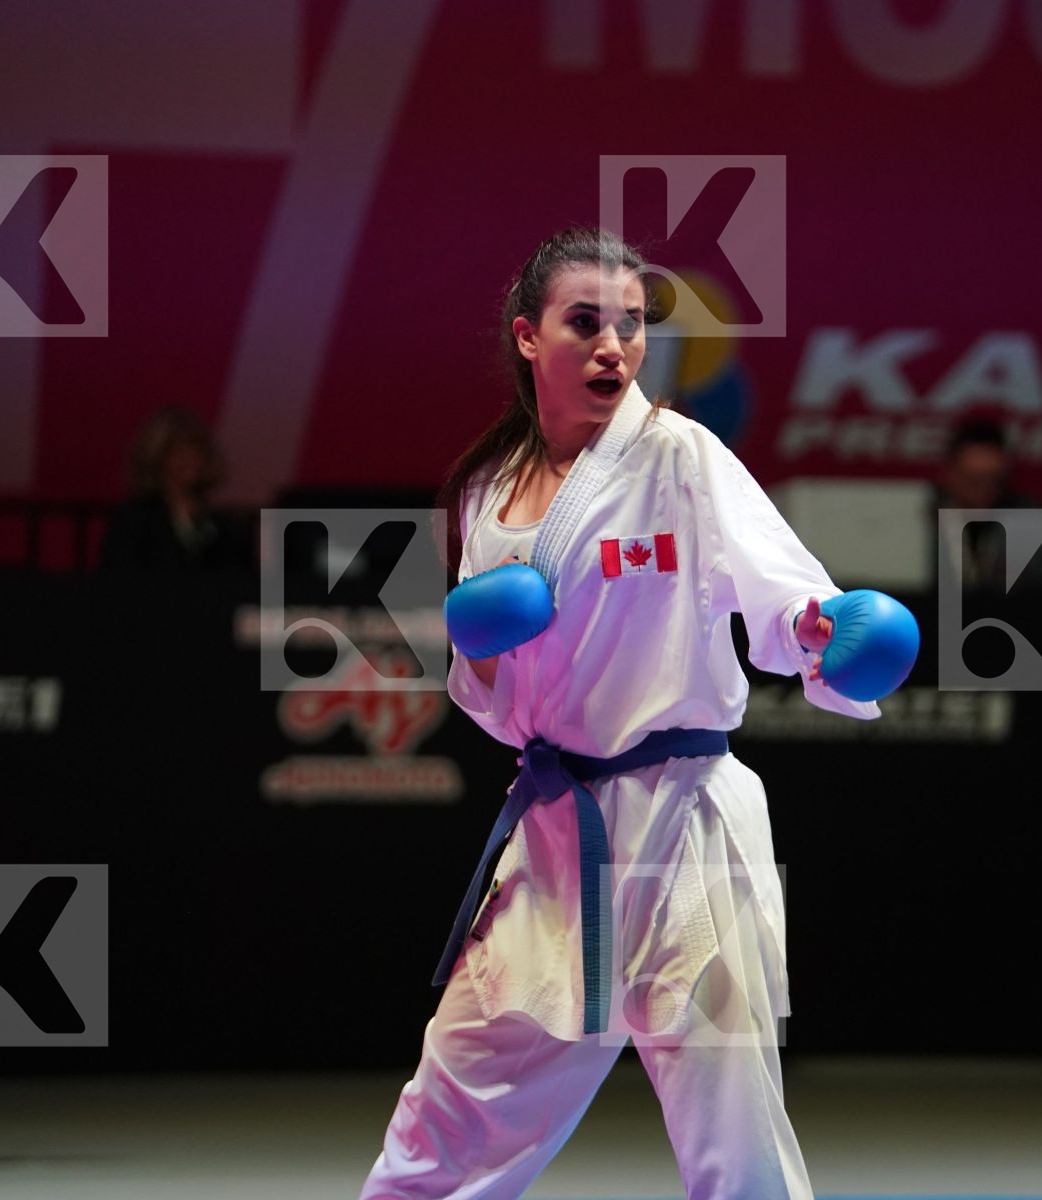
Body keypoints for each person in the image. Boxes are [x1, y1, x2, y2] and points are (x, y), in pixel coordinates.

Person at [358, 227, 913, 1199]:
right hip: (559, 836)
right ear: (530, 339)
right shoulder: (487, 493)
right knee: (449, 1117)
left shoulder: (682, 458)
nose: (615, 344)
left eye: (631, 324)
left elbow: (778, 597)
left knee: (731, 1133)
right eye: (587, 323)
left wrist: (818, 627)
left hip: (687, 825)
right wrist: (481, 650)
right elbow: (498, 710)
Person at [98, 406, 251, 573]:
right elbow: (118, 578)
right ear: (157, 457)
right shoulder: (135, 521)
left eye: (195, 450)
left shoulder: (223, 526)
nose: (188, 459)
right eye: (177, 451)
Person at [933, 419, 1041, 591]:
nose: (982, 490)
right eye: (972, 481)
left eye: (992, 480)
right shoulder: (922, 520)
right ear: (950, 475)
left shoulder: (1030, 522)